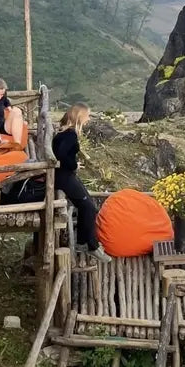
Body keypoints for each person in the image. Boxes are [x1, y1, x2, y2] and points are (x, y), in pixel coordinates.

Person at [52, 102, 112, 263]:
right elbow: (62, 155)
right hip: (65, 176)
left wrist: (73, 163)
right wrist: (72, 165)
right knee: (88, 206)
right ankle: (91, 245)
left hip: (63, 175)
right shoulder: (70, 134)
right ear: (80, 116)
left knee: (87, 205)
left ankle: (83, 242)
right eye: (87, 116)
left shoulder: (62, 132)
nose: (88, 119)